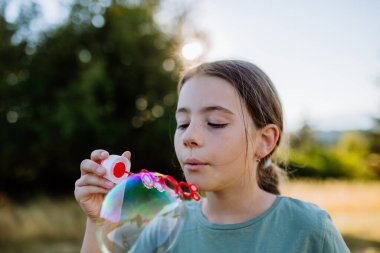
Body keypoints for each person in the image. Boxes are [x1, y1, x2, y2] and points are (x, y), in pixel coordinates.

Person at [74, 60, 350, 252]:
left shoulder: (309, 228)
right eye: (182, 123)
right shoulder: (165, 227)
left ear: (264, 141)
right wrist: (99, 221)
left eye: (215, 122)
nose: (189, 136)